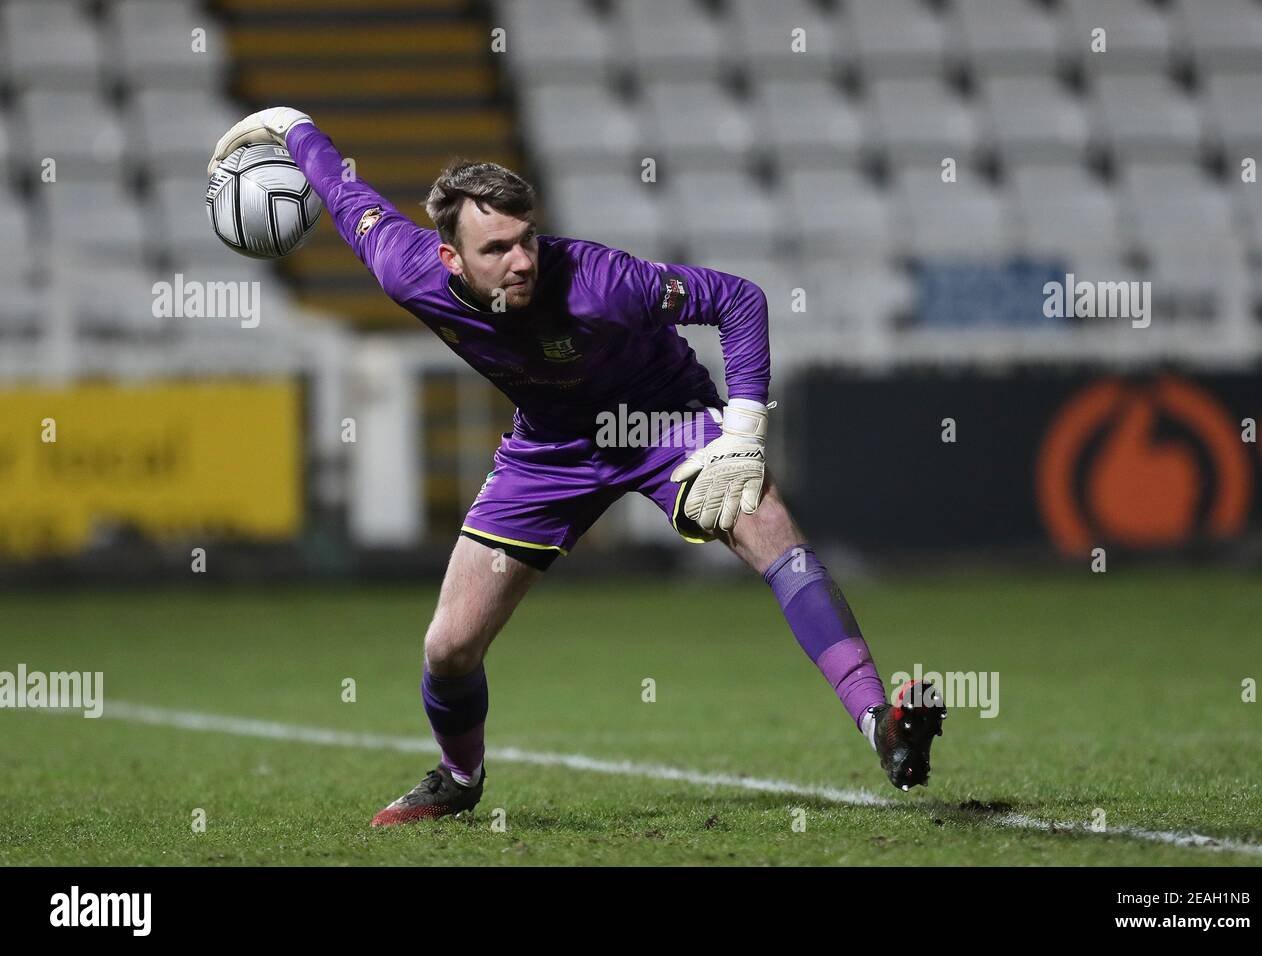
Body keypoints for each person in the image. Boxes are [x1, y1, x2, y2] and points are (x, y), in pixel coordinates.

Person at [208, 108, 946, 826]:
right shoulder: (408, 272)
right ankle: (459, 778)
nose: (521, 260)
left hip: (663, 419)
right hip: (551, 448)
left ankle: (880, 723)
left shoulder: (600, 280)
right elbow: (346, 196)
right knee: (449, 647)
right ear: (450, 259)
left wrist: (744, 432)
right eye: (496, 249)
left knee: (771, 532)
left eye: (526, 239)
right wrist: (293, 125)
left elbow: (738, 300)